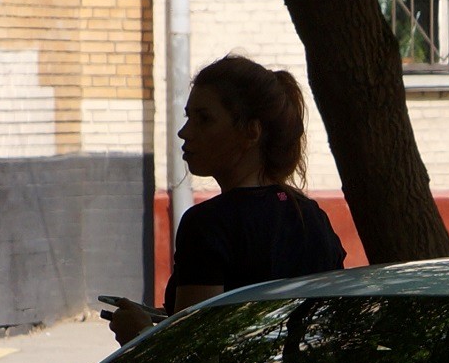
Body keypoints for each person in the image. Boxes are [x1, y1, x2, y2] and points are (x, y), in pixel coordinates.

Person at [105, 55, 346, 343]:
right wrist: (165, 319)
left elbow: (196, 356)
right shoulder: (312, 216)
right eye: (188, 117)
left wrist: (140, 334)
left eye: (204, 119)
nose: (185, 132)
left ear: (250, 132)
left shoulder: (208, 225)